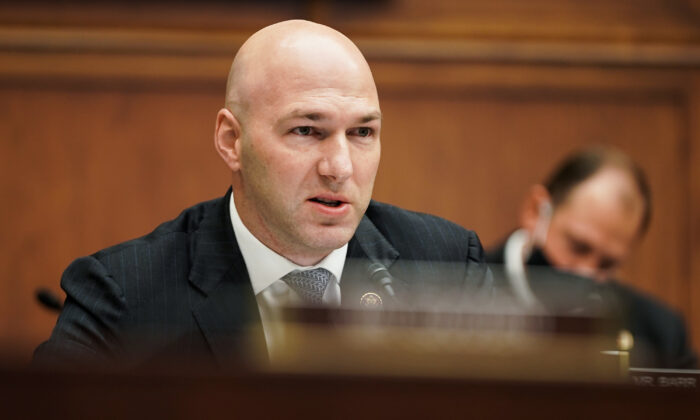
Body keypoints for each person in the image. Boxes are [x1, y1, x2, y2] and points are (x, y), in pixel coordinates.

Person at [34, 20, 491, 370]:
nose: (340, 167)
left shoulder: (447, 264)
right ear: (232, 141)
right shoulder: (125, 294)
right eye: (307, 130)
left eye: (362, 132)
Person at [486, 147, 697, 368]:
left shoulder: (658, 336)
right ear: (536, 211)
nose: (585, 272)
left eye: (607, 264)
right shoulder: (464, 283)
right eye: (578, 247)